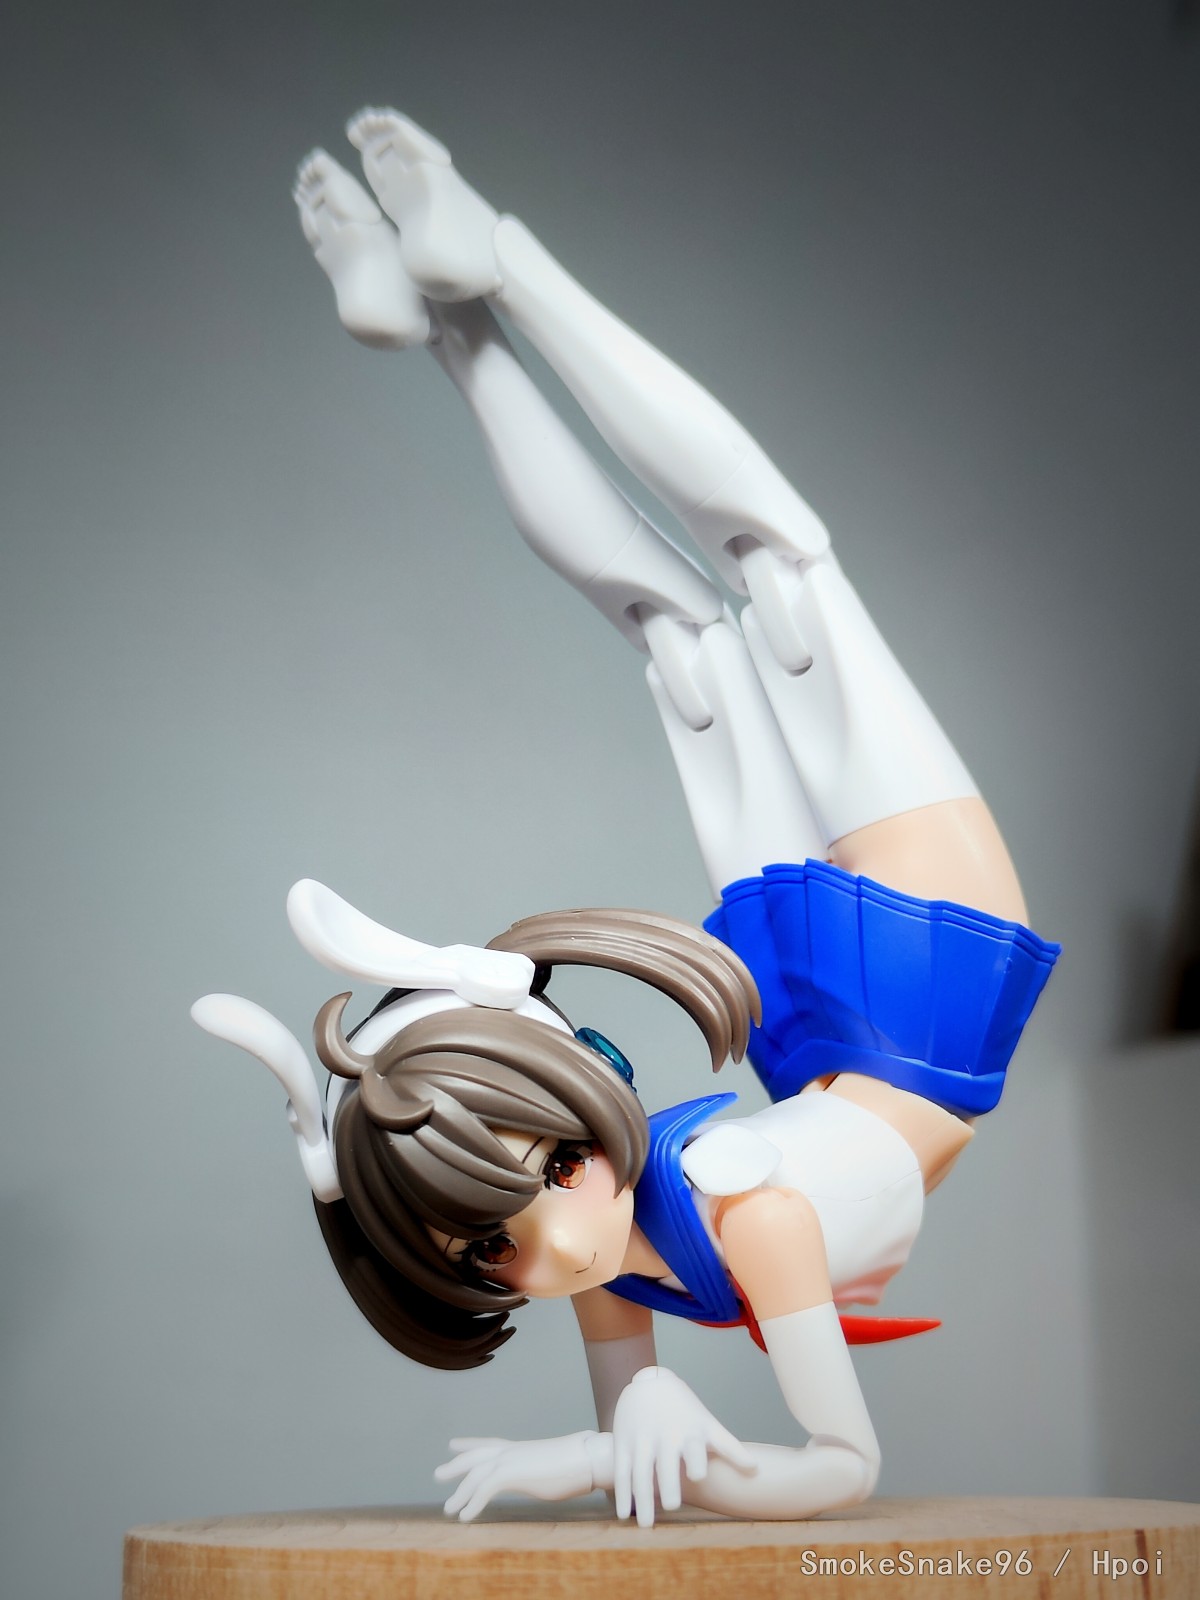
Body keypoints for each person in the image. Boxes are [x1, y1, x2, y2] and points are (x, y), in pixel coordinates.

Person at [194, 110, 1059, 1526]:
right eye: (490, 1254)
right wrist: (608, 1450)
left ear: (584, 1107)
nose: (540, 1252)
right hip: (860, 1039)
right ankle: (452, 311)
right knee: (702, 625)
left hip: (902, 1006)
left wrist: (621, 1447)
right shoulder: (617, 1254)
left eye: (552, 1175)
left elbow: (821, 1469)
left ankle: (490, 272)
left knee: (761, 584)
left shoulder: (717, 1215)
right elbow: (795, 1466)